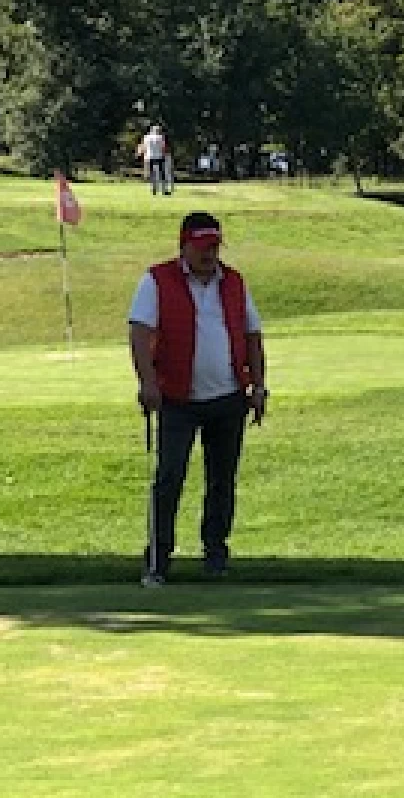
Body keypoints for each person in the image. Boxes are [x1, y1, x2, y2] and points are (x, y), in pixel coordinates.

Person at [127, 211, 269, 586]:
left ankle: (216, 555)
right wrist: (147, 382)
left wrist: (258, 385)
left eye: (214, 246)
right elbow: (140, 332)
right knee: (169, 476)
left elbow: (252, 335)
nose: (210, 254)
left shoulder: (234, 282)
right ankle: (158, 559)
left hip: (228, 397)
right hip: (176, 397)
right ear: (184, 245)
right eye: (203, 246)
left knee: (222, 480)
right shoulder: (157, 280)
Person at [140, 124, 173, 195]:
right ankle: (164, 190)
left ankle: (153, 189)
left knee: (152, 173)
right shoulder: (160, 137)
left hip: (149, 156)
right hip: (159, 156)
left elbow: (143, 147)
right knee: (162, 173)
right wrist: (165, 155)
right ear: (158, 131)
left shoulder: (146, 137)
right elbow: (163, 148)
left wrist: (143, 155)